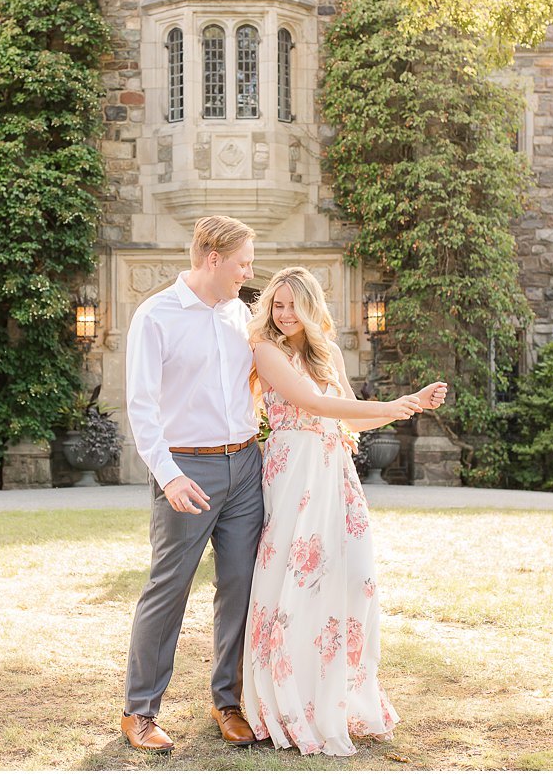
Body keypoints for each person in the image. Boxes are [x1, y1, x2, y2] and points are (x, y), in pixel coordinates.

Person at [120, 218, 426, 755]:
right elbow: (142, 408)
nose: (249, 272)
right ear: (212, 258)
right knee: (168, 589)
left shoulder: (242, 319)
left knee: (242, 589)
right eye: (243, 262)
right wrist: (168, 476)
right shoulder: (156, 317)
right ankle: (140, 712)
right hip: (189, 469)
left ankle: (228, 702)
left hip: (247, 467)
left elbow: (291, 381)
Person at [242, 266, 447, 757]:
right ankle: (290, 701)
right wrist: (397, 405)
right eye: (278, 304)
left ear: (312, 307)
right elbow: (310, 402)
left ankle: (336, 697)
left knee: (352, 579)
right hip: (294, 472)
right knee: (296, 579)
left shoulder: (329, 352)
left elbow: (349, 413)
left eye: (293, 305)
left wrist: (406, 405)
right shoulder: (266, 350)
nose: (284, 313)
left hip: (335, 471)